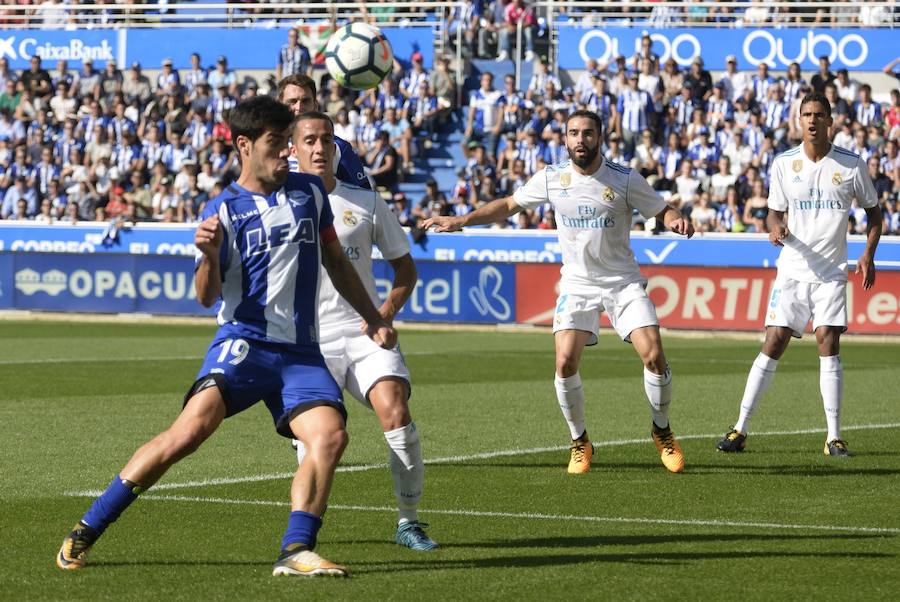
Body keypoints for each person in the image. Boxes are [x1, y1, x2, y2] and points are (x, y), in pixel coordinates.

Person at [56, 96, 397, 578]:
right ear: (244, 145)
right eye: (277, 143)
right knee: (188, 433)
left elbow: (336, 263)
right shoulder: (224, 209)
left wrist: (374, 317)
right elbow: (205, 295)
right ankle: (88, 527)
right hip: (246, 344)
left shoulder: (309, 193)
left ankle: (296, 549)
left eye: (288, 142)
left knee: (330, 436)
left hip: (301, 352)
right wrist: (211, 257)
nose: (287, 152)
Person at [424, 110, 695, 475]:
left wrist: (675, 219)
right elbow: (509, 204)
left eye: (587, 133)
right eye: (573, 133)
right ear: (565, 139)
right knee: (565, 361)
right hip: (577, 283)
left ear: (600, 138)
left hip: (622, 282)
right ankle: (580, 441)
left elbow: (662, 209)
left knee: (654, 355)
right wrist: (461, 220)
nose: (580, 139)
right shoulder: (552, 178)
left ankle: (661, 431)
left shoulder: (625, 178)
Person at [291, 111, 437, 550]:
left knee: (395, 409)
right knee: (317, 439)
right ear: (294, 149)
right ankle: (304, 536)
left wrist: (384, 314)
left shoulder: (366, 201)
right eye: (310, 141)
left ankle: (408, 522)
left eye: (327, 140)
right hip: (308, 341)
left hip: (363, 332)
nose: (320, 148)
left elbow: (405, 269)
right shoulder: (280, 205)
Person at [716, 93, 882, 457]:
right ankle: (740, 428)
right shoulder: (783, 163)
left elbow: (874, 213)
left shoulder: (851, 164)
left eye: (818, 114)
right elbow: (774, 213)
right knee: (774, 340)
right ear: (799, 120)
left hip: (831, 271)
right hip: (792, 268)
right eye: (806, 114)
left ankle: (833, 437)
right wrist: (775, 227)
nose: (811, 120)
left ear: (830, 121)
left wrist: (868, 254)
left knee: (827, 339)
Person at [276, 74, 371, 189]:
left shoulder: (338, 148)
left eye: (305, 101)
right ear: (279, 106)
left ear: (315, 106)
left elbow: (364, 193)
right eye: (292, 101)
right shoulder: (267, 146)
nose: (299, 107)